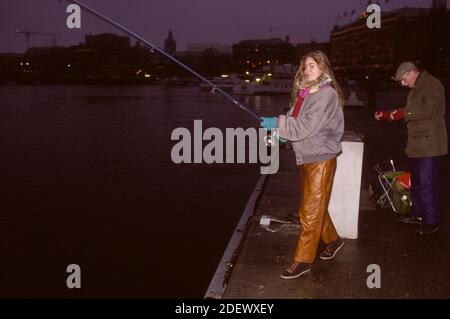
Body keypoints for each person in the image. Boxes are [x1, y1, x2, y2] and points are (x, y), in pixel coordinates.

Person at [260, 50, 345, 279]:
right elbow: (296, 121)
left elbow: (304, 127)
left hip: (321, 159)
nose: (307, 70)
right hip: (307, 155)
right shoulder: (306, 93)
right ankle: (334, 240)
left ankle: (303, 260)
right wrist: (281, 135)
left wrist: (276, 123)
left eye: (313, 66)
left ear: (324, 69)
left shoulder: (325, 95)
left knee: (308, 212)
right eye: (305, 66)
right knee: (316, 207)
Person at [375, 62, 448, 235]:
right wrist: (390, 115)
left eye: (403, 79)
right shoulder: (417, 87)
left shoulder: (431, 84)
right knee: (417, 182)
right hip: (418, 144)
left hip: (430, 145)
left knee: (426, 184)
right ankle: (418, 215)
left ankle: (432, 222)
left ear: (412, 72)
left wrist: (403, 113)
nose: (402, 83)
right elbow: (413, 110)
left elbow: (431, 109)